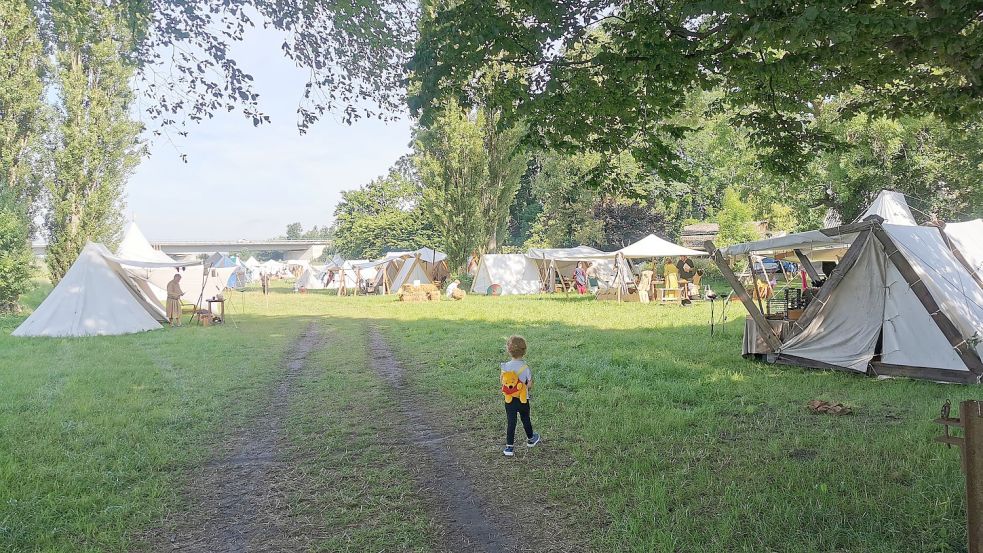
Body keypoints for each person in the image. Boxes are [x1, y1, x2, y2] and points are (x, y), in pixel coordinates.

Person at [501, 335, 541, 457]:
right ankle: (531, 439)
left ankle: (509, 448)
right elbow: (529, 384)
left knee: (511, 422)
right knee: (525, 419)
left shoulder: (505, 366)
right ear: (524, 351)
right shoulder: (525, 367)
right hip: (523, 400)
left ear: (509, 350)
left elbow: (503, 381)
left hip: (510, 400)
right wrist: (524, 387)